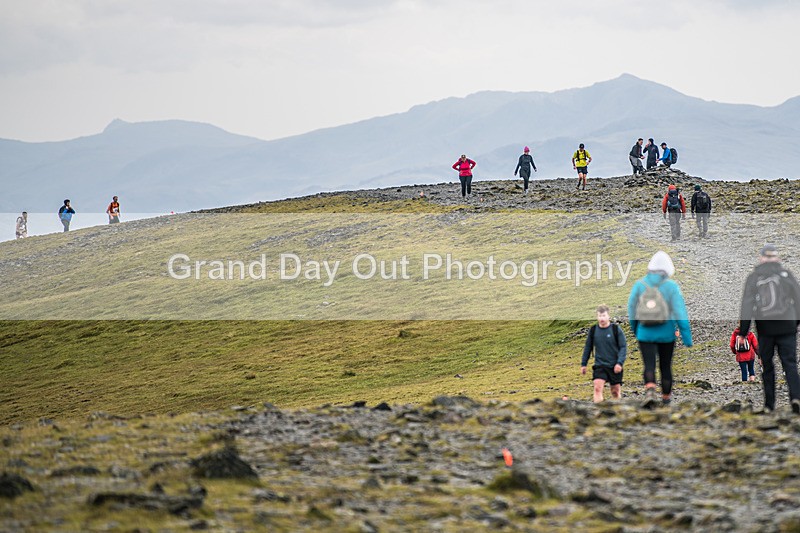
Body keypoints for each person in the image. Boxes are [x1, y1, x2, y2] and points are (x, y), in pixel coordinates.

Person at [738, 244, 800, 414]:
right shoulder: (786, 275)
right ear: (777, 257)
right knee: (790, 363)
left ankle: (769, 405)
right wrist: (795, 324)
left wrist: (743, 332)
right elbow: (798, 298)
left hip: (765, 329)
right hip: (787, 327)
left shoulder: (754, 277)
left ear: (761, 258)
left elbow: (747, 305)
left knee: (767, 365)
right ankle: (796, 398)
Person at [628, 251, 693, 406]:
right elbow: (680, 312)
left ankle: (650, 390)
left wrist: (636, 329)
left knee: (649, 364)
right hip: (667, 334)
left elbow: (632, 309)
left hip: (645, 333)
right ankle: (666, 399)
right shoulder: (671, 287)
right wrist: (686, 337)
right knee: (665, 366)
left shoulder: (640, 284)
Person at [581, 304, 628, 403]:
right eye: (600, 316)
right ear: (597, 317)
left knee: (615, 392)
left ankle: (617, 412)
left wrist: (619, 363)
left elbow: (623, 347)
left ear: (608, 316)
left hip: (614, 366)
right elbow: (588, 347)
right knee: (597, 388)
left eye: (604, 316)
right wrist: (583, 364)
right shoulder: (593, 330)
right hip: (600, 365)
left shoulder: (615, 329)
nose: (602, 318)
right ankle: (599, 411)